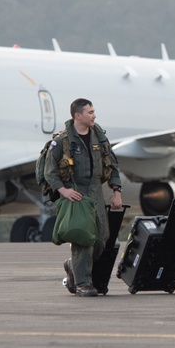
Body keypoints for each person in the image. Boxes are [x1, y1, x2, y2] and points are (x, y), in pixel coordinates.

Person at [48, 98, 123, 297]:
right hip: (76, 193)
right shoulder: (62, 141)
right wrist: (63, 191)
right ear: (77, 115)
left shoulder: (100, 138)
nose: (94, 115)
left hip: (96, 191)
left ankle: (73, 267)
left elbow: (112, 166)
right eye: (90, 112)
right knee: (83, 238)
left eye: (93, 111)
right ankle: (83, 284)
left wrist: (117, 192)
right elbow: (50, 171)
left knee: (102, 238)